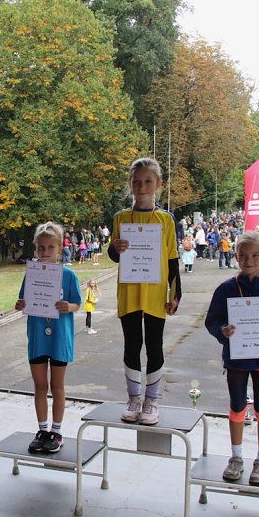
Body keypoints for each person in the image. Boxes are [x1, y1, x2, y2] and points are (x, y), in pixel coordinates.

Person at [205, 231, 259, 485]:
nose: (249, 260)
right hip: (237, 359)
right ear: (236, 257)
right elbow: (212, 320)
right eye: (243, 255)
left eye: (255, 255)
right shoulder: (227, 289)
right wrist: (222, 331)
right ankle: (236, 457)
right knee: (237, 405)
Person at [108, 157, 181, 426]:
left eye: (148, 181)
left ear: (158, 184)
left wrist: (176, 292)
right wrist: (116, 248)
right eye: (136, 181)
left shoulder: (166, 220)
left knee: (154, 345)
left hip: (155, 293)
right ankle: (133, 398)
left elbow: (172, 259)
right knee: (132, 345)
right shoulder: (121, 218)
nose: (141, 186)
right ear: (131, 184)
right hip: (128, 291)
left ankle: (152, 401)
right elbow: (113, 256)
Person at [16, 222, 82, 452]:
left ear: (59, 248)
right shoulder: (31, 274)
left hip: (59, 338)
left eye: (50, 248)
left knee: (57, 385)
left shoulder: (68, 275)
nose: (45, 253)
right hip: (37, 336)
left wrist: (69, 306)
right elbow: (22, 301)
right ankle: (42, 430)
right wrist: (20, 304)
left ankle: (56, 431)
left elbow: (77, 304)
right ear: (36, 249)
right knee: (40, 385)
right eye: (41, 248)